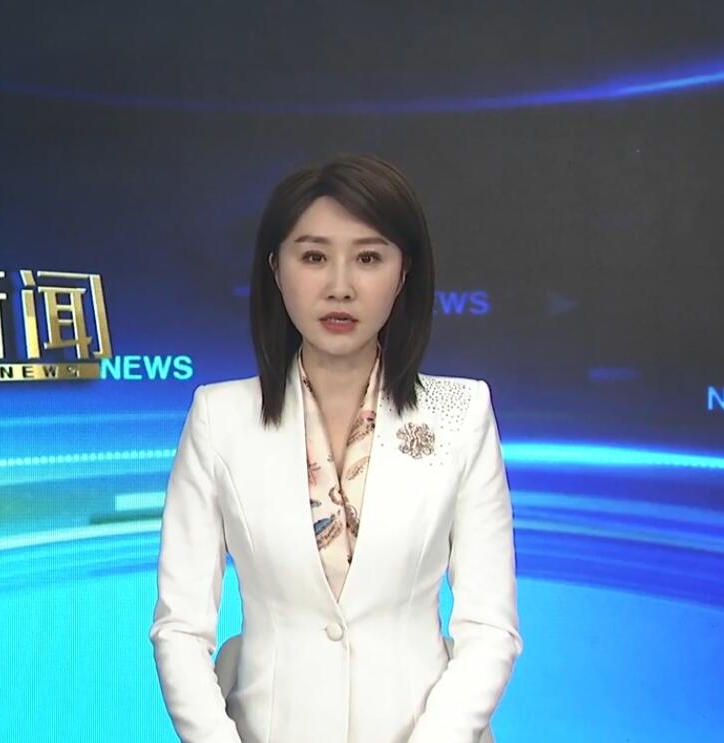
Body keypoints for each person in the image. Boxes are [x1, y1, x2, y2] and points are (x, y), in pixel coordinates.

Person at [149, 153, 523, 743]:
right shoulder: (219, 418)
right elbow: (180, 628)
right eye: (314, 257)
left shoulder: (462, 412)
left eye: (368, 258)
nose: (340, 287)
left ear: (403, 272)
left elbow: (489, 628)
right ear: (276, 269)